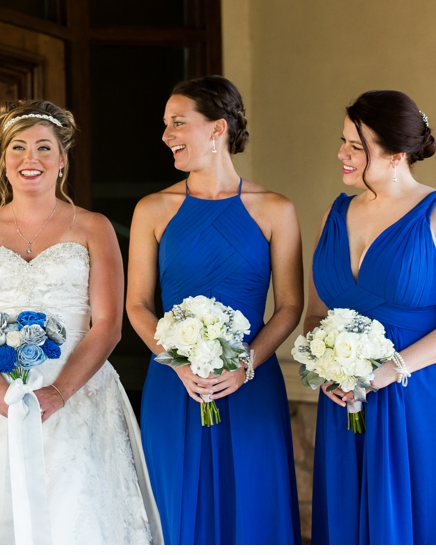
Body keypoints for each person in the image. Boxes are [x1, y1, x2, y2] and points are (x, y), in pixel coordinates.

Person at [0, 100, 161, 544]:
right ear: (3, 160)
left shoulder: (94, 227)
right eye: (17, 148)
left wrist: (58, 391)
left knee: (77, 506)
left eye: (43, 148)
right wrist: (1, 394)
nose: (29, 159)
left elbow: (109, 323)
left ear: (62, 160)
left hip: (78, 387)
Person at [305, 90, 436, 544]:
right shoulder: (333, 215)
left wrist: (386, 372)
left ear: (397, 154)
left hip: (425, 394)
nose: (342, 154)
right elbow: (316, 313)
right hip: (346, 400)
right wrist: (327, 368)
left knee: (432, 521)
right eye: (343, 141)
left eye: (357, 146)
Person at [124, 76, 300, 544]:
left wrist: (245, 364)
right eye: (165, 125)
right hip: (174, 383)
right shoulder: (153, 208)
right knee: (176, 506)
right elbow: (137, 304)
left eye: (178, 123)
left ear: (218, 128)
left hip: (251, 384)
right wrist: (176, 362)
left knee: (255, 508)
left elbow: (289, 306)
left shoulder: (275, 209)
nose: (166, 135)